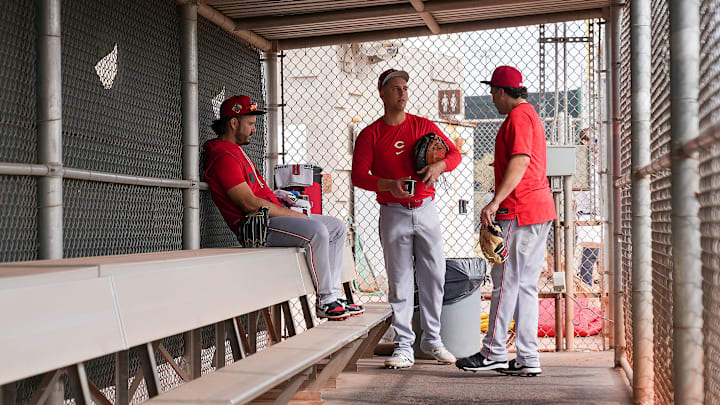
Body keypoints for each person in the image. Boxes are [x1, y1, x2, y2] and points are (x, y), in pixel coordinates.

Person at [203, 95, 364, 320]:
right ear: (233, 123)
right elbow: (248, 203)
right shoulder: (222, 155)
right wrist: (293, 214)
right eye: (250, 124)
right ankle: (326, 301)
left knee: (336, 227)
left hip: (273, 219)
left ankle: (334, 296)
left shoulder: (234, 151)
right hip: (256, 228)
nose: (253, 130)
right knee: (317, 231)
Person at [351, 69, 462, 369]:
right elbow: (359, 176)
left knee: (434, 275)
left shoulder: (423, 125)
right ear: (382, 93)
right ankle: (404, 347)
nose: (402, 93)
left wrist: (439, 168)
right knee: (399, 280)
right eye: (395, 88)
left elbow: (454, 154)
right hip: (393, 211)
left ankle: (432, 340)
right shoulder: (371, 134)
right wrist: (389, 184)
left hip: (425, 207)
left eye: (404, 88)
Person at [455, 66, 556, 376]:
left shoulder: (518, 117)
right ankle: (528, 358)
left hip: (519, 209)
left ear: (501, 91)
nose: (492, 99)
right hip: (538, 209)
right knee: (525, 286)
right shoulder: (529, 115)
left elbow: (521, 160)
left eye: (492, 93)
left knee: (505, 283)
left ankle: (493, 352)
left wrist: (496, 201)